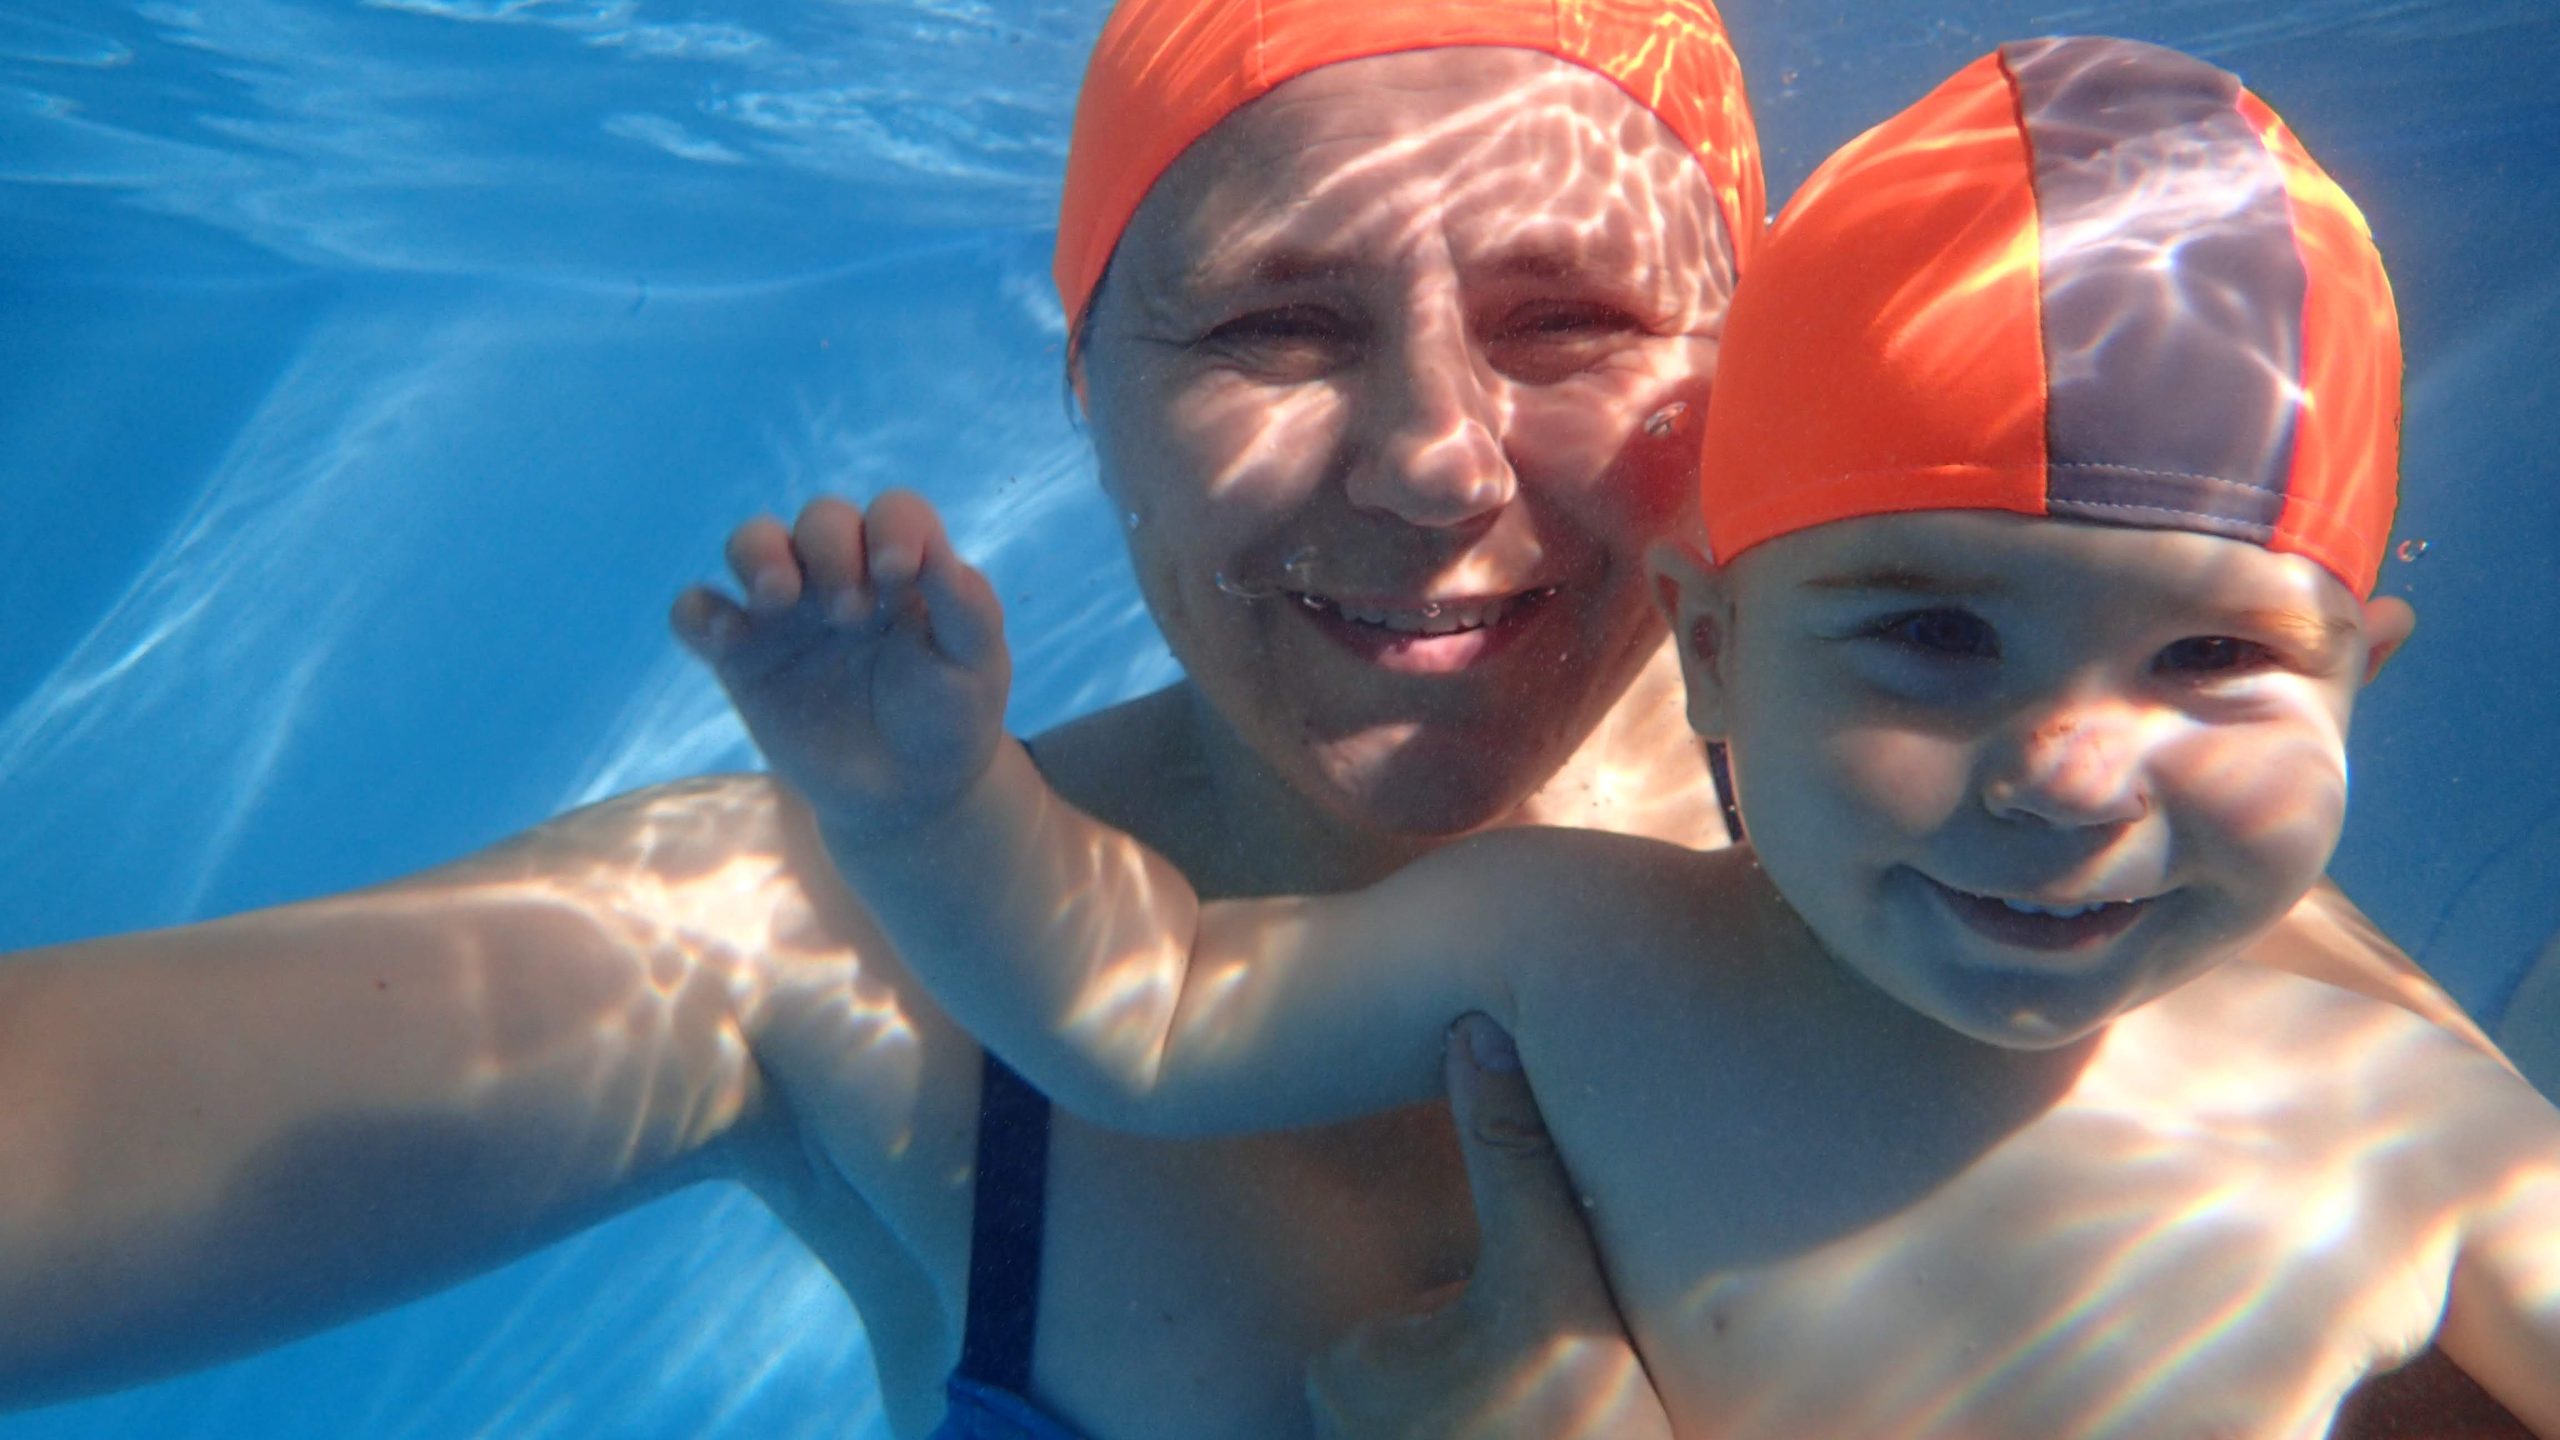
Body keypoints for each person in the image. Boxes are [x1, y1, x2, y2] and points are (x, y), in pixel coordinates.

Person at [0, 2, 2515, 1436]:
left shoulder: (2140, 971)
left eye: (1568, 320)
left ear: (1757, 411)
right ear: (1083, 383)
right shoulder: (817, 927)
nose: (1430, 459)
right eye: (1271, 322)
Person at [691, 36, 2560, 1440]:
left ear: (2357, 679)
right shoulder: (1570, 950)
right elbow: (1152, 1011)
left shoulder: (2431, 1143)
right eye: (1933, 636)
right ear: (1715, 652)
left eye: (2214, 655)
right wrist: (922, 798)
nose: (2069, 770)